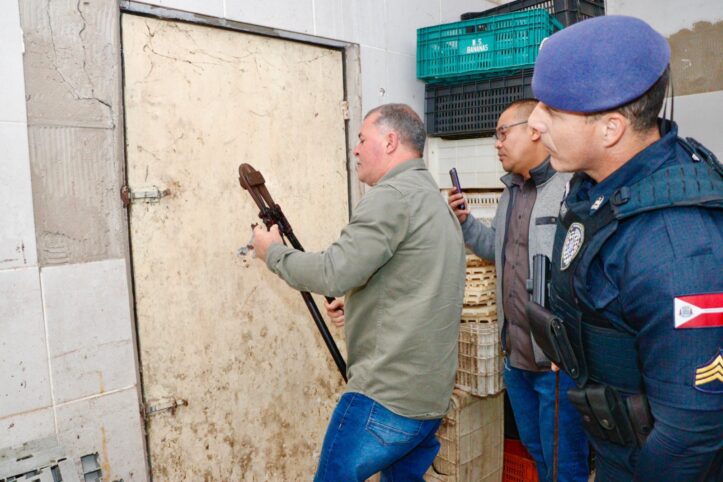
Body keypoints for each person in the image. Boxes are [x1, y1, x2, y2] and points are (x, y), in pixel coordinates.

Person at [526, 15, 723, 481]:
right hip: (613, 441)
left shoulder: (678, 247)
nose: (534, 123)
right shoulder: (598, 187)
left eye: (552, 110)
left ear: (611, 129)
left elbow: (689, 436)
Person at [251, 103, 466, 481]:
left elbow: (332, 272)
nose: (355, 149)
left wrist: (273, 253)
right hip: (427, 401)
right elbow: (418, 288)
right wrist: (358, 305)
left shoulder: (391, 196)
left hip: (384, 398)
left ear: (390, 141)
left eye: (362, 139)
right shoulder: (433, 200)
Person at [448, 99, 589, 482]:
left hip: (555, 365)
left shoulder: (571, 188)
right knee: (538, 454)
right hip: (517, 361)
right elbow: (493, 248)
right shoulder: (511, 191)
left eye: (502, 133)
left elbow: (584, 270)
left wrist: (569, 342)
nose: (497, 143)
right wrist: (465, 222)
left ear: (534, 130)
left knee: (565, 467)